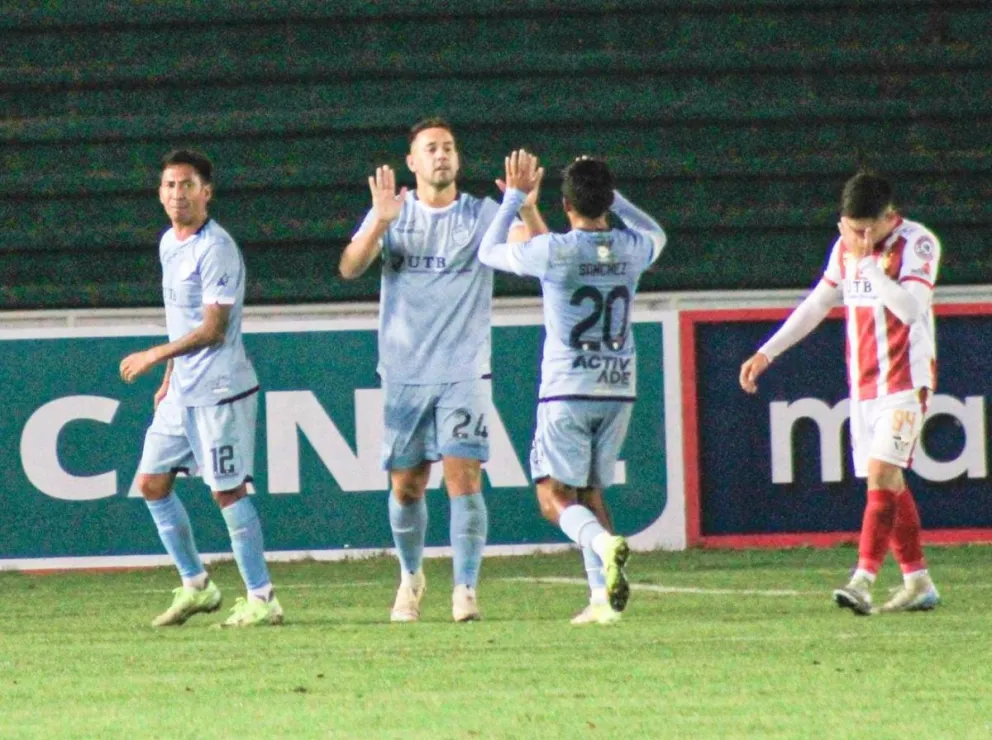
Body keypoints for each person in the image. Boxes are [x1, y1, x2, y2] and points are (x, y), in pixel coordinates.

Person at [339, 118, 546, 622]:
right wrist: (380, 223)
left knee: (464, 479)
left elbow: (537, 255)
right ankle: (411, 578)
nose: (441, 155)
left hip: (463, 370)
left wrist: (529, 205)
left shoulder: (482, 214)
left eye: (448, 147)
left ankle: (465, 589)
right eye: (430, 148)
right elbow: (349, 266)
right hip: (405, 373)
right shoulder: (393, 211)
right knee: (406, 486)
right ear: (412, 161)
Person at [739, 171, 941, 615]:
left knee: (880, 475)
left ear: (890, 217)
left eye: (867, 230)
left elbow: (910, 309)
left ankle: (863, 580)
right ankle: (918, 580)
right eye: (850, 229)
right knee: (889, 479)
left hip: (906, 383)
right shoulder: (844, 251)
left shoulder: (918, 244)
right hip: (865, 384)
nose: (858, 238)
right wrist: (767, 352)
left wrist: (868, 264)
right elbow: (817, 303)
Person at [478, 153, 667, 624]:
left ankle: (603, 545)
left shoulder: (556, 251)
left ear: (566, 205)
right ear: (607, 200)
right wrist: (611, 192)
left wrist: (514, 200)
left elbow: (488, 251)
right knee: (590, 492)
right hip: (618, 386)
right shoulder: (631, 247)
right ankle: (601, 601)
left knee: (552, 497)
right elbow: (658, 233)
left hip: (568, 388)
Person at [120, 149, 282, 628]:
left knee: (227, 493)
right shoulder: (169, 243)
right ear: (160, 193)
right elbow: (182, 318)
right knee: (151, 483)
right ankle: (197, 586)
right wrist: (170, 378)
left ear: (206, 192)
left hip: (220, 390)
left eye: (187, 185)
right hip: (183, 391)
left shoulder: (217, 248)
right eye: (170, 185)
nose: (177, 194)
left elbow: (212, 328)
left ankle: (262, 597)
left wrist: (155, 356)